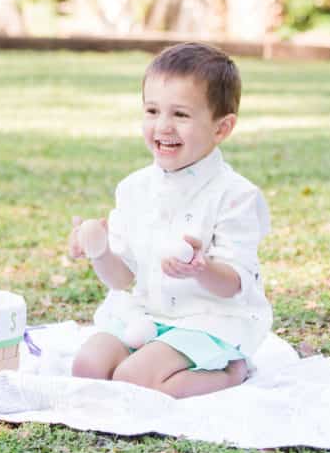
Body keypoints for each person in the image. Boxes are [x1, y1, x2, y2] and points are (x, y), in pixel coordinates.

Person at [67, 42, 271, 398]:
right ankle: (153, 358)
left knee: (135, 381)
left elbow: (234, 284)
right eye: (152, 110)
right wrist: (98, 250)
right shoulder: (133, 189)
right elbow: (122, 278)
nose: (163, 126)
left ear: (221, 129)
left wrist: (201, 269)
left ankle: (231, 371)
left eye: (180, 115)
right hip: (146, 314)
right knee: (88, 369)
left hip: (207, 321)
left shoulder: (236, 196)